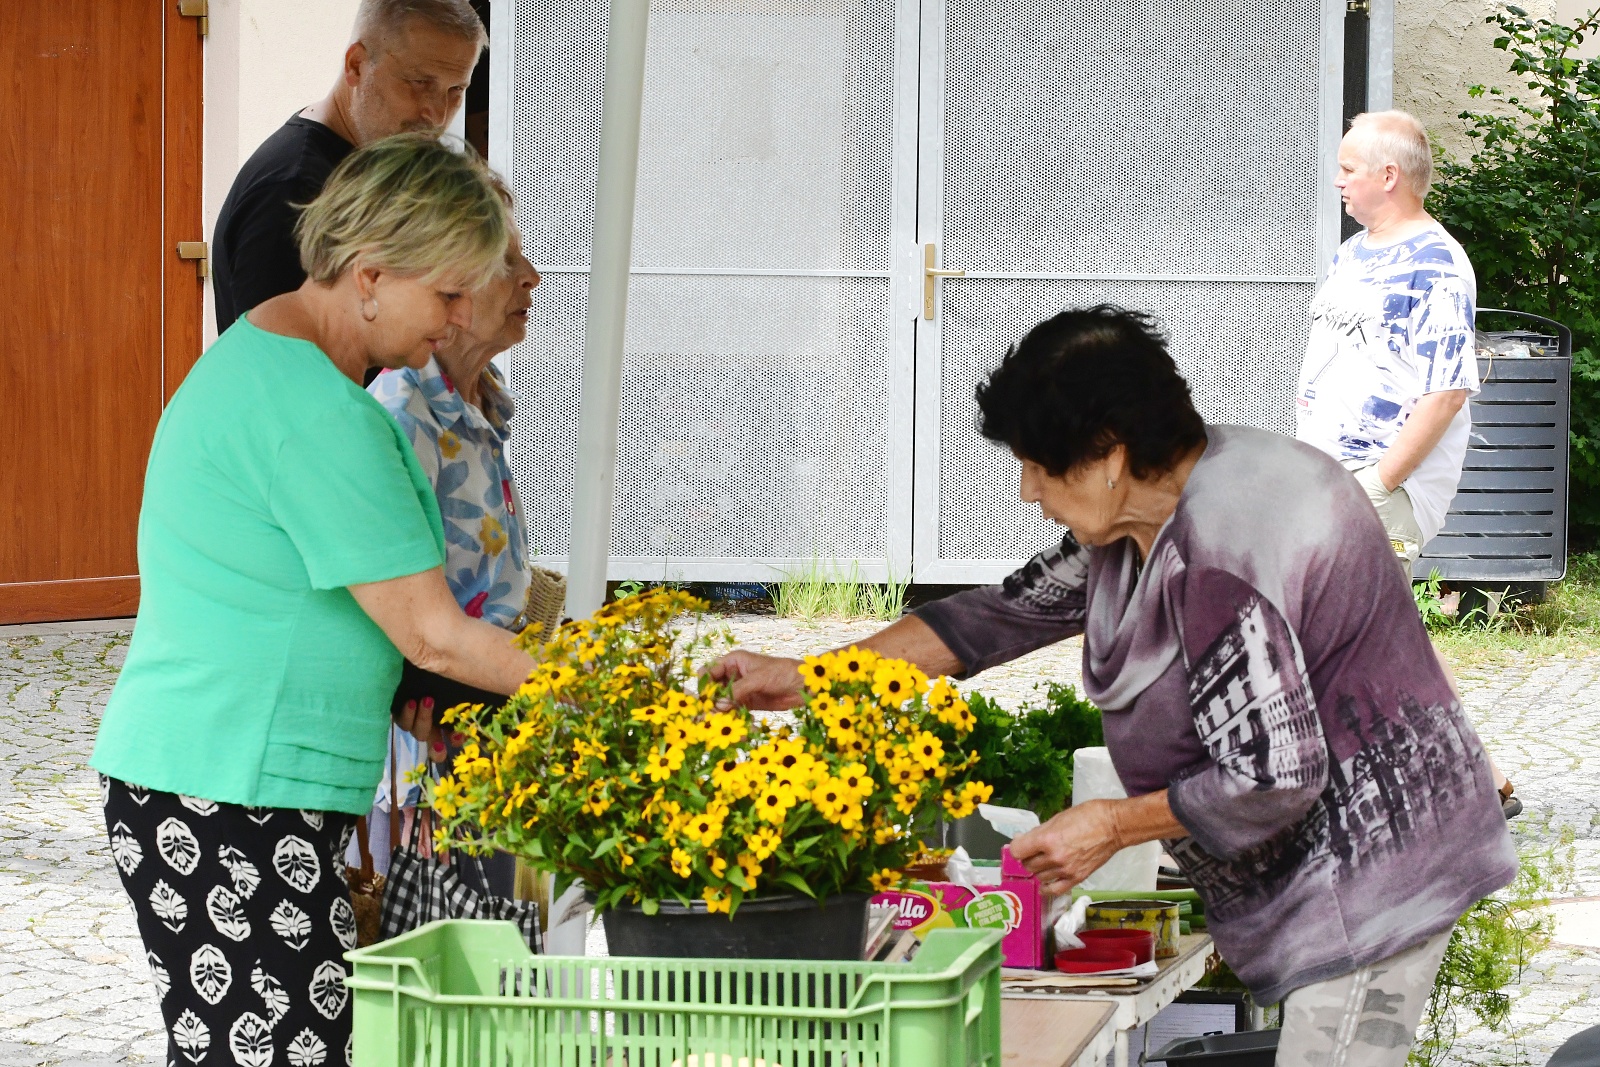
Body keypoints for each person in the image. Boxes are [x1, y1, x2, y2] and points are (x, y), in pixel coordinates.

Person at [713, 306, 1518, 1067]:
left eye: (1038, 465)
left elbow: (1273, 775)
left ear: (1108, 452)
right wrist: (811, 676)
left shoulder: (1223, 550)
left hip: (1375, 881)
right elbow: (998, 616)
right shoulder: (1156, 509)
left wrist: (1111, 824)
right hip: (1334, 873)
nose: (1028, 490)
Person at [92, 134, 536, 1066]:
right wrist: (598, 690)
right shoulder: (315, 412)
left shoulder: (279, 362)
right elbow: (434, 632)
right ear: (369, 273)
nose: (458, 321)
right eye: (447, 295)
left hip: (223, 779)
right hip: (229, 785)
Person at [1295, 109, 1522, 818]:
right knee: (1378, 631)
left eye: (1350, 167)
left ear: (1388, 176)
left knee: (1358, 632)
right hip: (1327, 471)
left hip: (1379, 479)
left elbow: (1447, 389)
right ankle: (1477, 779)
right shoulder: (1355, 252)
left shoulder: (1439, 263)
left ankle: (1405, 789)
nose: (1338, 179)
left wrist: (1380, 481)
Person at [360, 211, 542, 895]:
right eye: (508, 262)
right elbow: (407, 615)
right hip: (441, 731)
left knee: (519, 923)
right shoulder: (405, 410)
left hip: (500, 714)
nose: (532, 278)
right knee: (457, 941)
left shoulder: (479, 397)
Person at [212, 0, 484, 328]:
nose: (437, 114)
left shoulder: (369, 164)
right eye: (419, 83)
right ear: (356, 65)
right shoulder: (294, 189)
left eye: (456, 90)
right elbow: (272, 365)